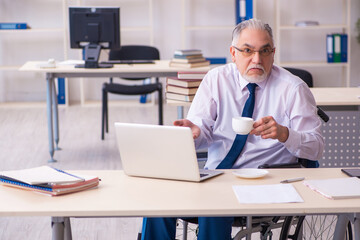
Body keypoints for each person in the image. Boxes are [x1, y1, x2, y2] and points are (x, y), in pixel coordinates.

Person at [141, 18, 324, 240]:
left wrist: (285, 134)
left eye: (264, 51)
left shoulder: (293, 88)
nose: (257, 59)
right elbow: (201, 132)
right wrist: (193, 132)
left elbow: (316, 148)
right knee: (158, 201)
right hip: (214, 177)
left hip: (265, 182)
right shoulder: (216, 79)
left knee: (213, 207)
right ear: (233, 52)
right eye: (248, 50)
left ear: (273, 53)